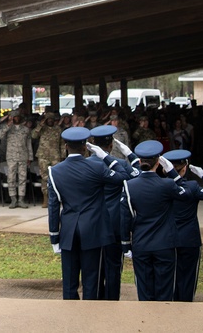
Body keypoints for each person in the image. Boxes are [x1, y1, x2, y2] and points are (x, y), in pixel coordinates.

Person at [47, 127, 132, 300]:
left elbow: (53, 206)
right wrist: (106, 157)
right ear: (86, 147)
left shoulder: (54, 171)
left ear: (65, 146)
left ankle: (70, 315)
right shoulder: (96, 167)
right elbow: (125, 176)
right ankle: (90, 316)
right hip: (93, 229)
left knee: (69, 281)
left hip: (69, 231)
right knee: (91, 280)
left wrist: (54, 236)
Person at [119, 140, 189, 301]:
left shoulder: (130, 185)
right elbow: (186, 194)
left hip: (141, 242)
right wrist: (173, 173)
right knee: (164, 290)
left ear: (141, 162)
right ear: (158, 163)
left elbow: (126, 217)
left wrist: (125, 244)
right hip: (164, 243)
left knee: (144, 290)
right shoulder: (167, 185)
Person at [89, 124, 139, 300]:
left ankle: (94, 300)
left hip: (92, 223)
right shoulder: (120, 165)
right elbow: (139, 175)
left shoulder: (86, 165)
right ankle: (112, 302)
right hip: (114, 223)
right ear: (111, 145)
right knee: (113, 267)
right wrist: (130, 155)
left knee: (93, 268)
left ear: (93, 143)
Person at [165, 149, 203, 302]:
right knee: (188, 276)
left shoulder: (163, 186)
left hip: (168, 237)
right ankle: (186, 306)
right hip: (189, 238)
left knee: (170, 276)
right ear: (185, 168)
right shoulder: (193, 186)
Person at [0, 110, 32, 208]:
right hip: (11, 157)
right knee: (11, 178)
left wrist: (30, 157)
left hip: (23, 156)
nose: (16, 118)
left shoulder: (26, 130)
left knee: (22, 178)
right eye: (14, 117)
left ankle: (21, 199)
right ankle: (13, 199)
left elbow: (28, 144)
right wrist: (8, 125)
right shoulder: (7, 128)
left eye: (17, 117)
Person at [31, 111, 64, 208]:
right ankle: (46, 198)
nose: (50, 121)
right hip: (43, 156)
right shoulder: (42, 128)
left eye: (51, 119)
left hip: (55, 156)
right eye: (48, 119)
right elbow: (33, 136)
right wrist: (40, 125)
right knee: (44, 177)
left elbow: (62, 144)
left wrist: (62, 156)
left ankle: (56, 198)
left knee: (56, 177)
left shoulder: (58, 129)